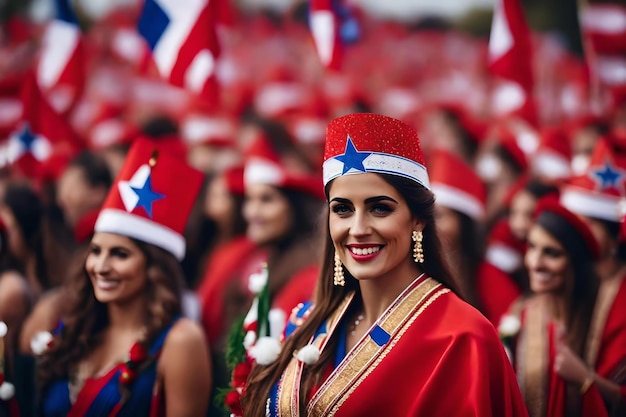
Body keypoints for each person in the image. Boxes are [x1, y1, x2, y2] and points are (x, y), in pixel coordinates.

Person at [241, 113, 528, 416]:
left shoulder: (464, 338)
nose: (358, 228)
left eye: (379, 208)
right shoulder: (306, 323)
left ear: (418, 219)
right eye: (342, 209)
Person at [33, 139, 212, 417]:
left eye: (120, 254)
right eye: (95, 251)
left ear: (155, 267)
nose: (101, 267)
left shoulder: (180, 341)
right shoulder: (73, 330)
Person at [501, 201, 606, 416]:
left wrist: (585, 379)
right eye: (531, 247)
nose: (535, 263)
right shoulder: (520, 313)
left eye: (552, 253)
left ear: (575, 263)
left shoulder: (602, 316)